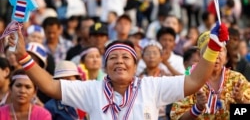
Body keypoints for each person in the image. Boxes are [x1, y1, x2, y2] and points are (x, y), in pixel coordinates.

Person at [7, 21, 228, 119]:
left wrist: (214, 47)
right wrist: (23, 56)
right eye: (112, 58)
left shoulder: (151, 86)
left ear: (135, 65)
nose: (119, 62)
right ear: (105, 67)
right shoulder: (91, 90)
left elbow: (195, 80)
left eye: (125, 57)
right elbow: (51, 85)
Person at [170, 30, 250, 120]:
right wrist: (197, 108)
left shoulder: (237, 79)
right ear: (200, 56)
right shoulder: (189, 81)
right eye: (210, 51)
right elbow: (177, 118)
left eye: (220, 50)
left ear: (226, 57)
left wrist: (241, 101)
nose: (215, 55)